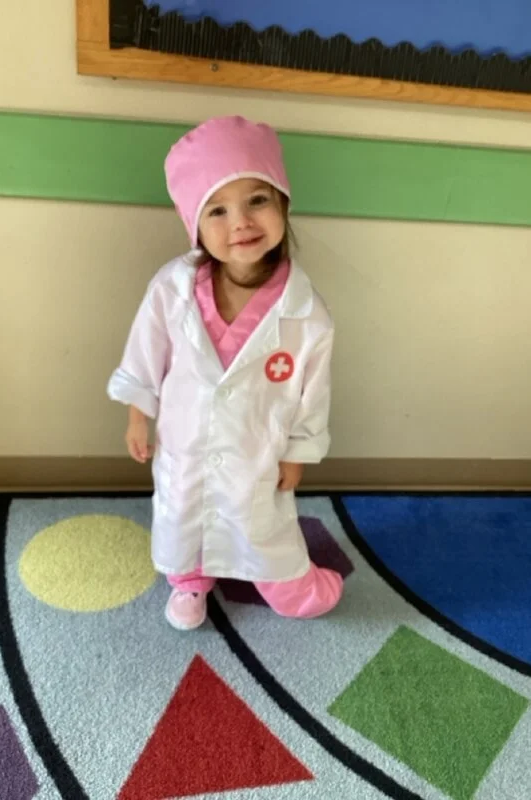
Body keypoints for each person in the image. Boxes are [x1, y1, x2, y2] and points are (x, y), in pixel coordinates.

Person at [107, 115, 343, 630]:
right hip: (184, 441)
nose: (240, 222)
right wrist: (136, 417)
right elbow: (145, 354)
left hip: (256, 449)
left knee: (260, 519)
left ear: (283, 203)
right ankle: (189, 581)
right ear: (195, 224)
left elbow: (312, 394)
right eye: (217, 209)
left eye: (257, 200)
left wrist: (299, 454)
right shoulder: (173, 288)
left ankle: (284, 580)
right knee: (184, 509)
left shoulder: (307, 314)